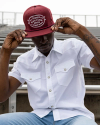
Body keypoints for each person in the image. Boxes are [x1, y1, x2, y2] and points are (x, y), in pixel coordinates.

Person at [0, 5, 99, 125]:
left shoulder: (73, 47)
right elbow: (2, 95)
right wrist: (6, 52)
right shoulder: (24, 60)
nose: (44, 39)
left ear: (54, 29)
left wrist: (81, 31)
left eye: (47, 33)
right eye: (38, 35)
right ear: (28, 34)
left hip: (74, 117)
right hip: (38, 118)